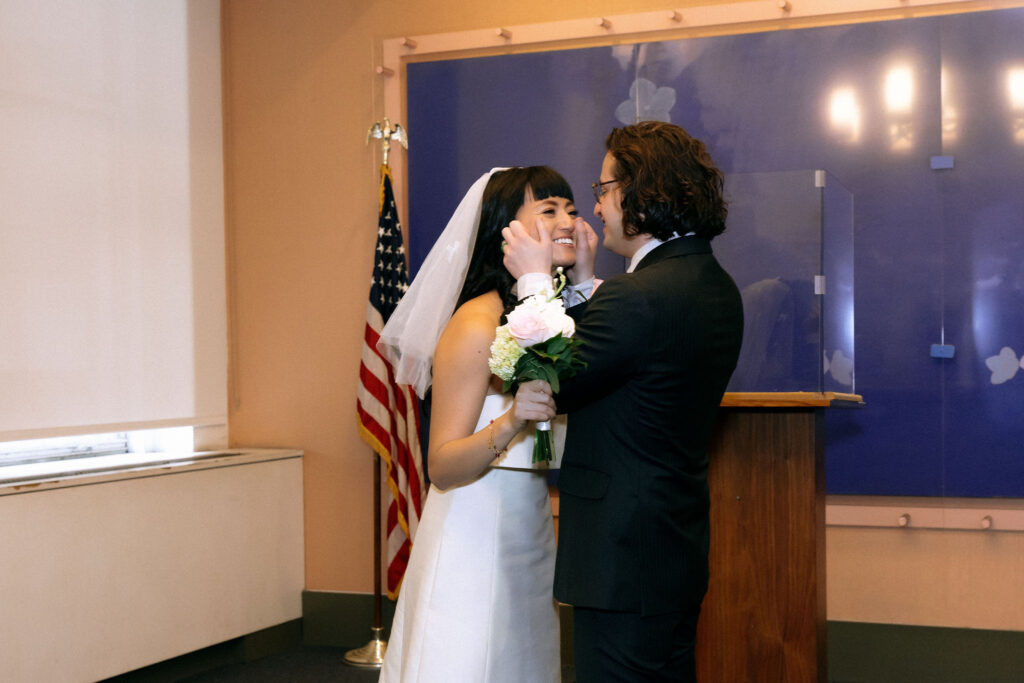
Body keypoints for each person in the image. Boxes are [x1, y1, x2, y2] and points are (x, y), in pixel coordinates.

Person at [502, 121, 744, 682]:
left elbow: (550, 379)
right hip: (668, 547)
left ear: (642, 191)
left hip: (622, 556)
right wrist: (585, 285)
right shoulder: (710, 282)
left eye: (604, 189)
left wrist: (536, 284)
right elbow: (619, 364)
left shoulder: (641, 297)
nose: (598, 207)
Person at [377, 166, 589, 683]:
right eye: (549, 209)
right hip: (473, 538)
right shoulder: (477, 322)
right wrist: (514, 419)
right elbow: (442, 465)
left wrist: (582, 283)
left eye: (572, 208)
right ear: (505, 229)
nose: (569, 221)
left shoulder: (546, 315)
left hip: (529, 530)